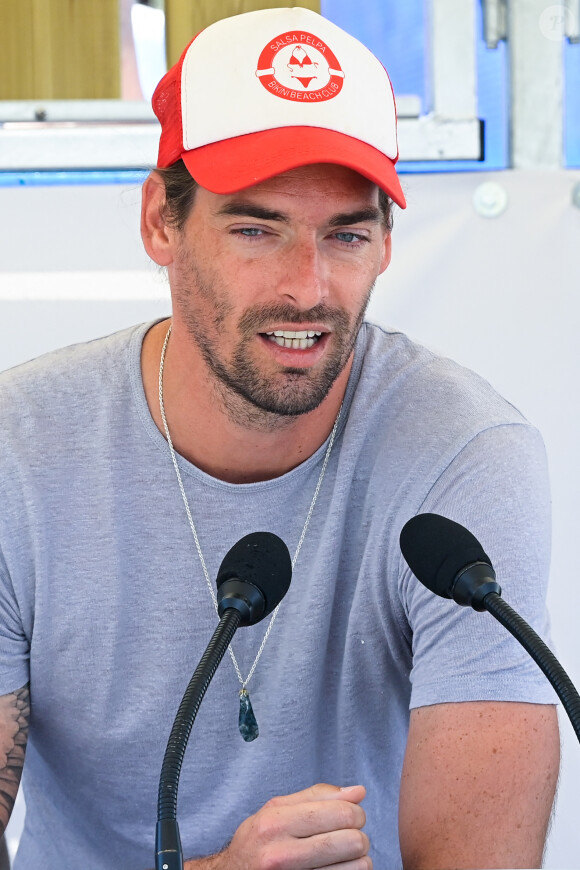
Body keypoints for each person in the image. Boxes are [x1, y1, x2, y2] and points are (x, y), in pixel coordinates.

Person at [0, 6, 559, 869]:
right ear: (161, 222)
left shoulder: (467, 454)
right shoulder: (18, 452)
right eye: (255, 229)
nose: (308, 289)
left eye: (346, 233)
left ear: (384, 244)